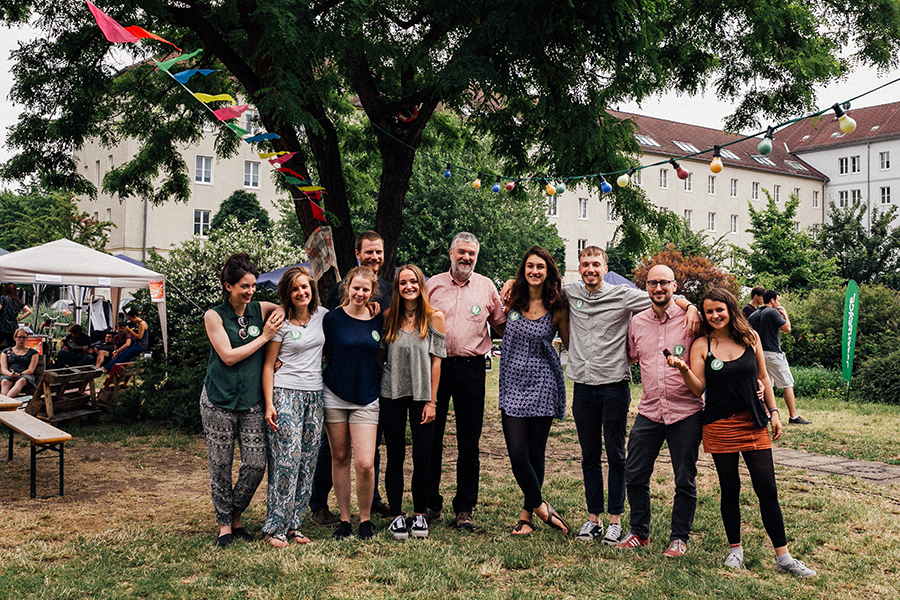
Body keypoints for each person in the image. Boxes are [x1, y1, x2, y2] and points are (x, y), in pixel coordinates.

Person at [667, 287, 816, 578]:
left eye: (719, 309)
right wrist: (684, 369)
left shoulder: (750, 337)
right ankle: (735, 550)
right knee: (730, 489)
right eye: (708, 311)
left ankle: (783, 556)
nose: (714, 315)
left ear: (730, 308)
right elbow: (699, 388)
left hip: (753, 421)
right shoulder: (702, 344)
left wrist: (774, 413)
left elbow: (764, 378)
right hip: (719, 424)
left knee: (767, 490)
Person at [561, 247, 698, 546]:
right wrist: (509, 284)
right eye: (585, 264)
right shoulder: (570, 293)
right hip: (583, 386)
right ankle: (594, 517)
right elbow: (540, 288)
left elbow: (664, 298)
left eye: (596, 264)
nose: (590, 269)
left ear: (605, 266)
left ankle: (616, 521)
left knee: (617, 455)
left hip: (614, 387)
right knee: (588, 456)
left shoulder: (625, 295)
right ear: (579, 267)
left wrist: (690, 305)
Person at [617, 264, 703, 556]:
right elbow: (630, 356)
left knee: (684, 478)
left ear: (674, 286)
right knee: (635, 473)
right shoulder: (637, 322)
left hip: (686, 411)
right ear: (646, 287)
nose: (658, 288)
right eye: (653, 283)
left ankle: (679, 537)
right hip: (650, 410)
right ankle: (639, 532)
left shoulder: (691, 319)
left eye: (664, 283)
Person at [201, 252, 284, 547]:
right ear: (228, 287)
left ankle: (236, 511)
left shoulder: (261, 309)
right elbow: (228, 356)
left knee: (255, 463)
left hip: (251, 400)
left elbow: (293, 307)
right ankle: (226, 525)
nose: (250, 292)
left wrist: (279, 356)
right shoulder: (214, 316)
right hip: (218, 399)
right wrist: (264, 338)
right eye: (244, 287)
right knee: (221, 464)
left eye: (253, 286)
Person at [310, 230, 392, 526]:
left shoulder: (388, 290)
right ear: (358, 253)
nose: (374, 257)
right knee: (334, 452)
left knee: (368, 455)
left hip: (370, 385)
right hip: (337, 386)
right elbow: (321, 334)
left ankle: (371, 503)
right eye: (368, 252)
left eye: (378, 252)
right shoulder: (337, 296)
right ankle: (320, 502)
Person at [426, 232, 506, 532]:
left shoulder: (486, 287)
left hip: (472, 369)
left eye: (472, 254)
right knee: (431, 437)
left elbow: (501, 323)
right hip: (435, 367)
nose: (466, 258)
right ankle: (430, 503)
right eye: (462, 252)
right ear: (450, 253)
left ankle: (464, 508)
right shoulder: (432, 285)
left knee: (468, 442)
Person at [499, 247, 571, 536]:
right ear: (523, 269)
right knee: (517, 453)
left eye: (540, 266)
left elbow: (569, 342)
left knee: (534, 452)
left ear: (548, 271)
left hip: (543, 383)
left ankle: (526, 517)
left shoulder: (557, 305)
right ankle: (542, 506)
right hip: (511, 384)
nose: (534, 271)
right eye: (530, 266)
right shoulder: (512, 299)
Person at [261, 266, 327, 547]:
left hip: (315, 395)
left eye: (305, 287)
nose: (302, 292)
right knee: (287, 459)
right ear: (287, 294)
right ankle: (274, 527)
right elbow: (268, 365)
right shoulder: (280, 322)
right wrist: (268, 404)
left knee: (308, 461)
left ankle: (294, 524)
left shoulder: (323, 317)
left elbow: (351, 310)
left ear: (312, 289)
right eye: (295, 288)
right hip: (285, 393)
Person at [381, 264, 446, 540]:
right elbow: (380, 355)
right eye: (403, 283)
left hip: (422, 395)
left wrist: (432, 401)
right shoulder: (388, 318)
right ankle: (396, 515)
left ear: (421, 285)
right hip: (392, 393)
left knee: (423, 455)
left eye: (413, 282)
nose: (408, 287)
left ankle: (420, 514)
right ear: (397, 288)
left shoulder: (434, 318)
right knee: (395, 455)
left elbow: (436, 363)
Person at [322, 266, 385, 540]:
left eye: (366, 289)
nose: (360, 293)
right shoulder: (332, 319)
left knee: (365, 463)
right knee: (340, 457)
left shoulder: (378, 319)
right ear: (347, 288)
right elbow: (320, 351)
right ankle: (345, 520)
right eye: (356, 288)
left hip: (367, 396)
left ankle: (365, 519)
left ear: (373, 293)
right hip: (335, 394)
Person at [748, 290, 811, 425]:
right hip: (773, 354)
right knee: (787, 383)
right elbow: (787, 328)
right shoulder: (772, 312)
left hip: (758, 354)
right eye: (778, 300)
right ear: (772, 300)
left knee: (766, 384)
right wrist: (785, 315)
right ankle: (793, 416)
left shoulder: (753, 315)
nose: (779, 303)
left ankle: (767, 413)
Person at [104, 306, 149, 373]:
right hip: (136, 345)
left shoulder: (142, 324)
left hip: (141, 346)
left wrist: (129, 331)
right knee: (120, 355)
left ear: (135, 317)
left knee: (123, 358)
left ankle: (109, 370)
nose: (130, 321)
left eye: (130, 319)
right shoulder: (138, 323)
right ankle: (104, 367)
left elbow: (139, 336)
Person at [1, 328, 39, 397]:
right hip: (9, 375)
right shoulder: (6, 352)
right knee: (4, 382)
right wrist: (10, 374)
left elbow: (30, 370)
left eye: (24, 337)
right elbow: (3, 369)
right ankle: (5, 404)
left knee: (21, 381)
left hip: (25, 375)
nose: (21, 339)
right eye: (19, 337)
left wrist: (19, 374)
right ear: (15, 338)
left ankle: (5, 403)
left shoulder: (33, 353)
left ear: (27, 338)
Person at [0, 284, 32, 349]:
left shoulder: (3, 298)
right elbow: (29, 311)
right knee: (12, 348)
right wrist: (19, 319)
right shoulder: (18, 301)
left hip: (2, 327)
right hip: (13, 328)